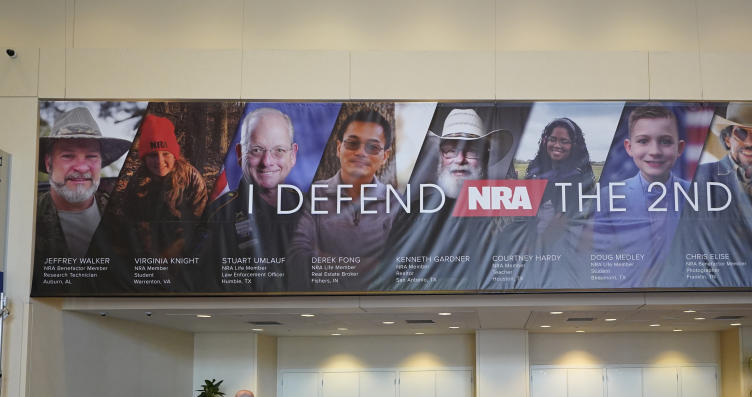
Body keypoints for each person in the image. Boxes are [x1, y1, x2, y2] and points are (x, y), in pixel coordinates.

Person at [378, 107, 533, 290]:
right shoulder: (414, 212)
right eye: (450, 150)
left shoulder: (505, 209)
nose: (460, 159)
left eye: (471, 151)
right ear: (440, 157)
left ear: (485, 156)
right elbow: (393, 274)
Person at [657, 102, 752, 288]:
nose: (749, 142)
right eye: (742, 133)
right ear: (728, 139)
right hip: (700, 284)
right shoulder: (702, 176)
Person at [288, 109, 395, 290]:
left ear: (385, 156)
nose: (361, 152)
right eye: (352, 144)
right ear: (339, 148)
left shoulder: (398, 203)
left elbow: (398, 263)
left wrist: (326, 259)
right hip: (319, 306)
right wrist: (369, 266)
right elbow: (298, 255)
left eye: (373, 147)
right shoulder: (312, 194)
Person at [33, 106, 131, 291]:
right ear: (48, 163)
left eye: (91, 156)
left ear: (100, 162)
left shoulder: (127, 215)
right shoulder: (26, 217)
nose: (82, 167)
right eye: (68, 156)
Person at [202, 107, 300, 289]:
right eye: (256, 150)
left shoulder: (309, 210)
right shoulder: (218, 216)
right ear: (240, 154)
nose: (267, 161)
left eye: (279, 150)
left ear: (292, 155)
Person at [594, 105, 690, 286]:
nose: (654, 151)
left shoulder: (698, 196)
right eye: (643, 141)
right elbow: (597, 257)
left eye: (666, 141)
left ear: (680, 148)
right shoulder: (607, 198)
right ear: (629, 148)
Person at [122, 113, 208, 259]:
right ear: (144, 158)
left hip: (183, 250)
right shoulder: (138, 181)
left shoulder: (192, 178)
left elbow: (200, 222)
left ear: (175, 155)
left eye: (166, 154)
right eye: (153, 155)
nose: (160, 161)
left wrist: (175, 250)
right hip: (148, 251)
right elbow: (130, 221)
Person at [522, 117, 595, 289]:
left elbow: (562, 224)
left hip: (562, 257)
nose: (557, 145)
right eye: (553, 139)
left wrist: (536, 248)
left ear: (574, 145)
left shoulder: (579, 179)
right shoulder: (534, 173)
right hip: (533, 257)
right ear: (545, 140)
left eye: (564, 141)